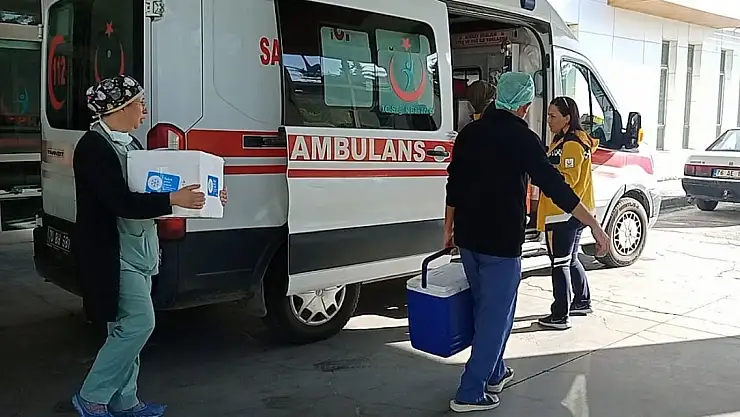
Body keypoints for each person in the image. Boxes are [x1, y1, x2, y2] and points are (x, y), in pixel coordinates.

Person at [444, 72, 609, 413]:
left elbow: (454, 185)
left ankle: (495, 372)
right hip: (500, 242)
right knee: (496, 316)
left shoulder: (470, 132)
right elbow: (556, 187)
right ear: (523, 105)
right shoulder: (523, 138)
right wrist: (593, 223)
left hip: (469, 238)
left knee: (485, 307)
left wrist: (448, 231)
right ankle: (471, 390)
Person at [70, 75, 228, 417]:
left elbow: (151, 190)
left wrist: (206, 197)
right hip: (113, 253)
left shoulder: (131, 145)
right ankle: (91, 395)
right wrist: (173, 199)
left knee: (125, 329)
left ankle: (125, 401)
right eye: (139, 104)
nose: (144, 111)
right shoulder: (93, 148)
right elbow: (121, 201)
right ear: (119, 108)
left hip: (140, 249)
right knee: (139, 324)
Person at [537, 96, 598, 330]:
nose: (548, 120)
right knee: (570, 259)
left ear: (567, 118)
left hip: (563, 213)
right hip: (574, 212)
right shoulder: (566, 140)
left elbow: (567, 181)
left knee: (560, 263)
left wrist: (542, 176)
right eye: (548, 115)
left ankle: (560, 315)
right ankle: (582, 301)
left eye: (553, 116)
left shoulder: (571, 144)